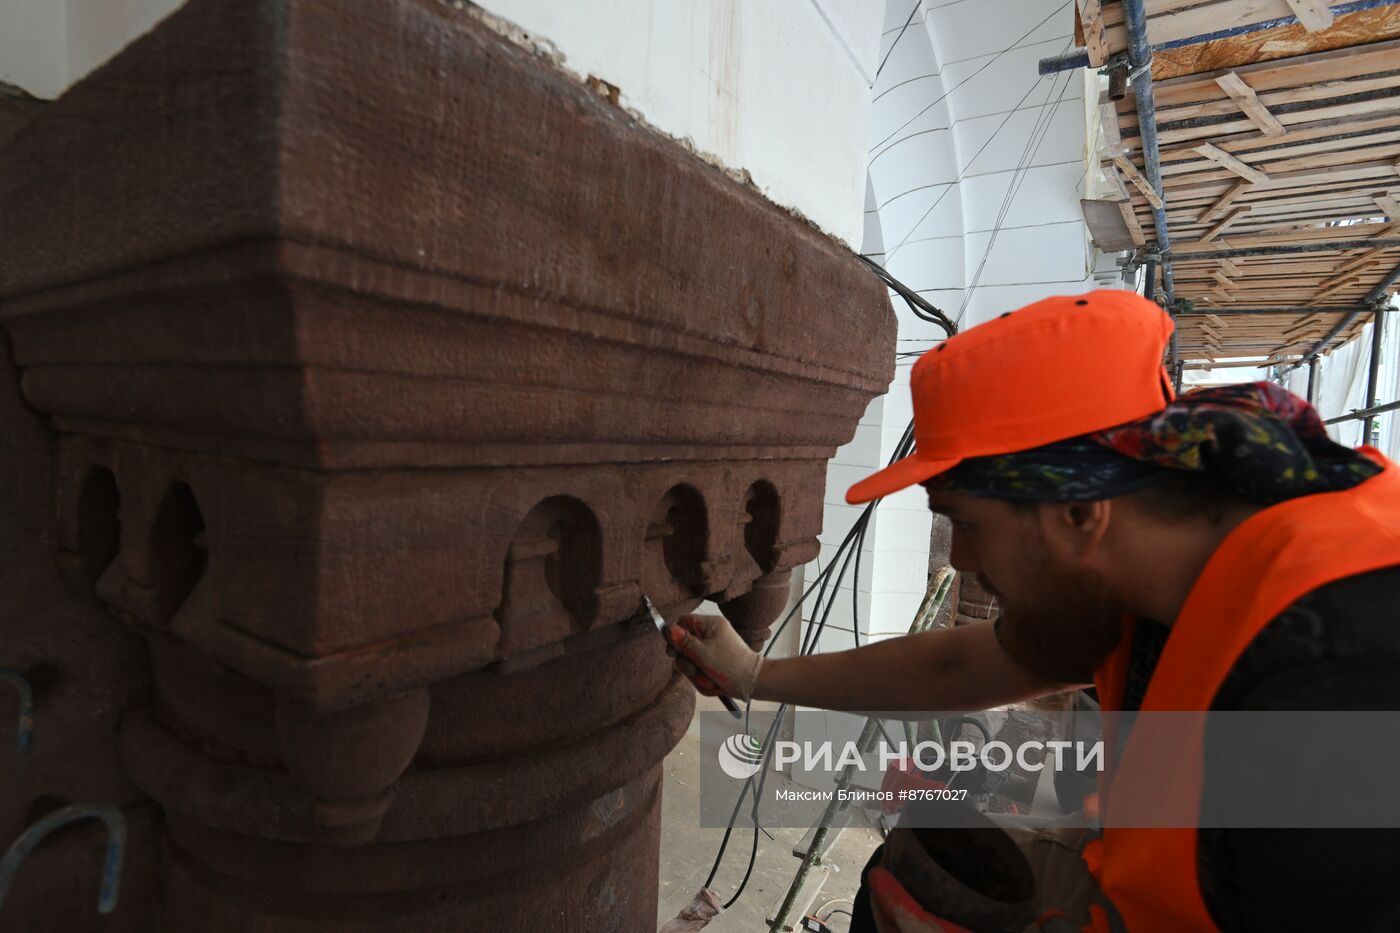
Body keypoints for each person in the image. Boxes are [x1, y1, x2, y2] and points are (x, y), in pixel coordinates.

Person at [669, 291, 1400, 932]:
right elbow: (963, 666)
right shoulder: (1155, 562)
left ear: (1079, 513)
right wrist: (753, 674)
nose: (960, 560)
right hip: (1154, 881)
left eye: (966, 523)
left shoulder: (1334, 685)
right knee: (914, 867)